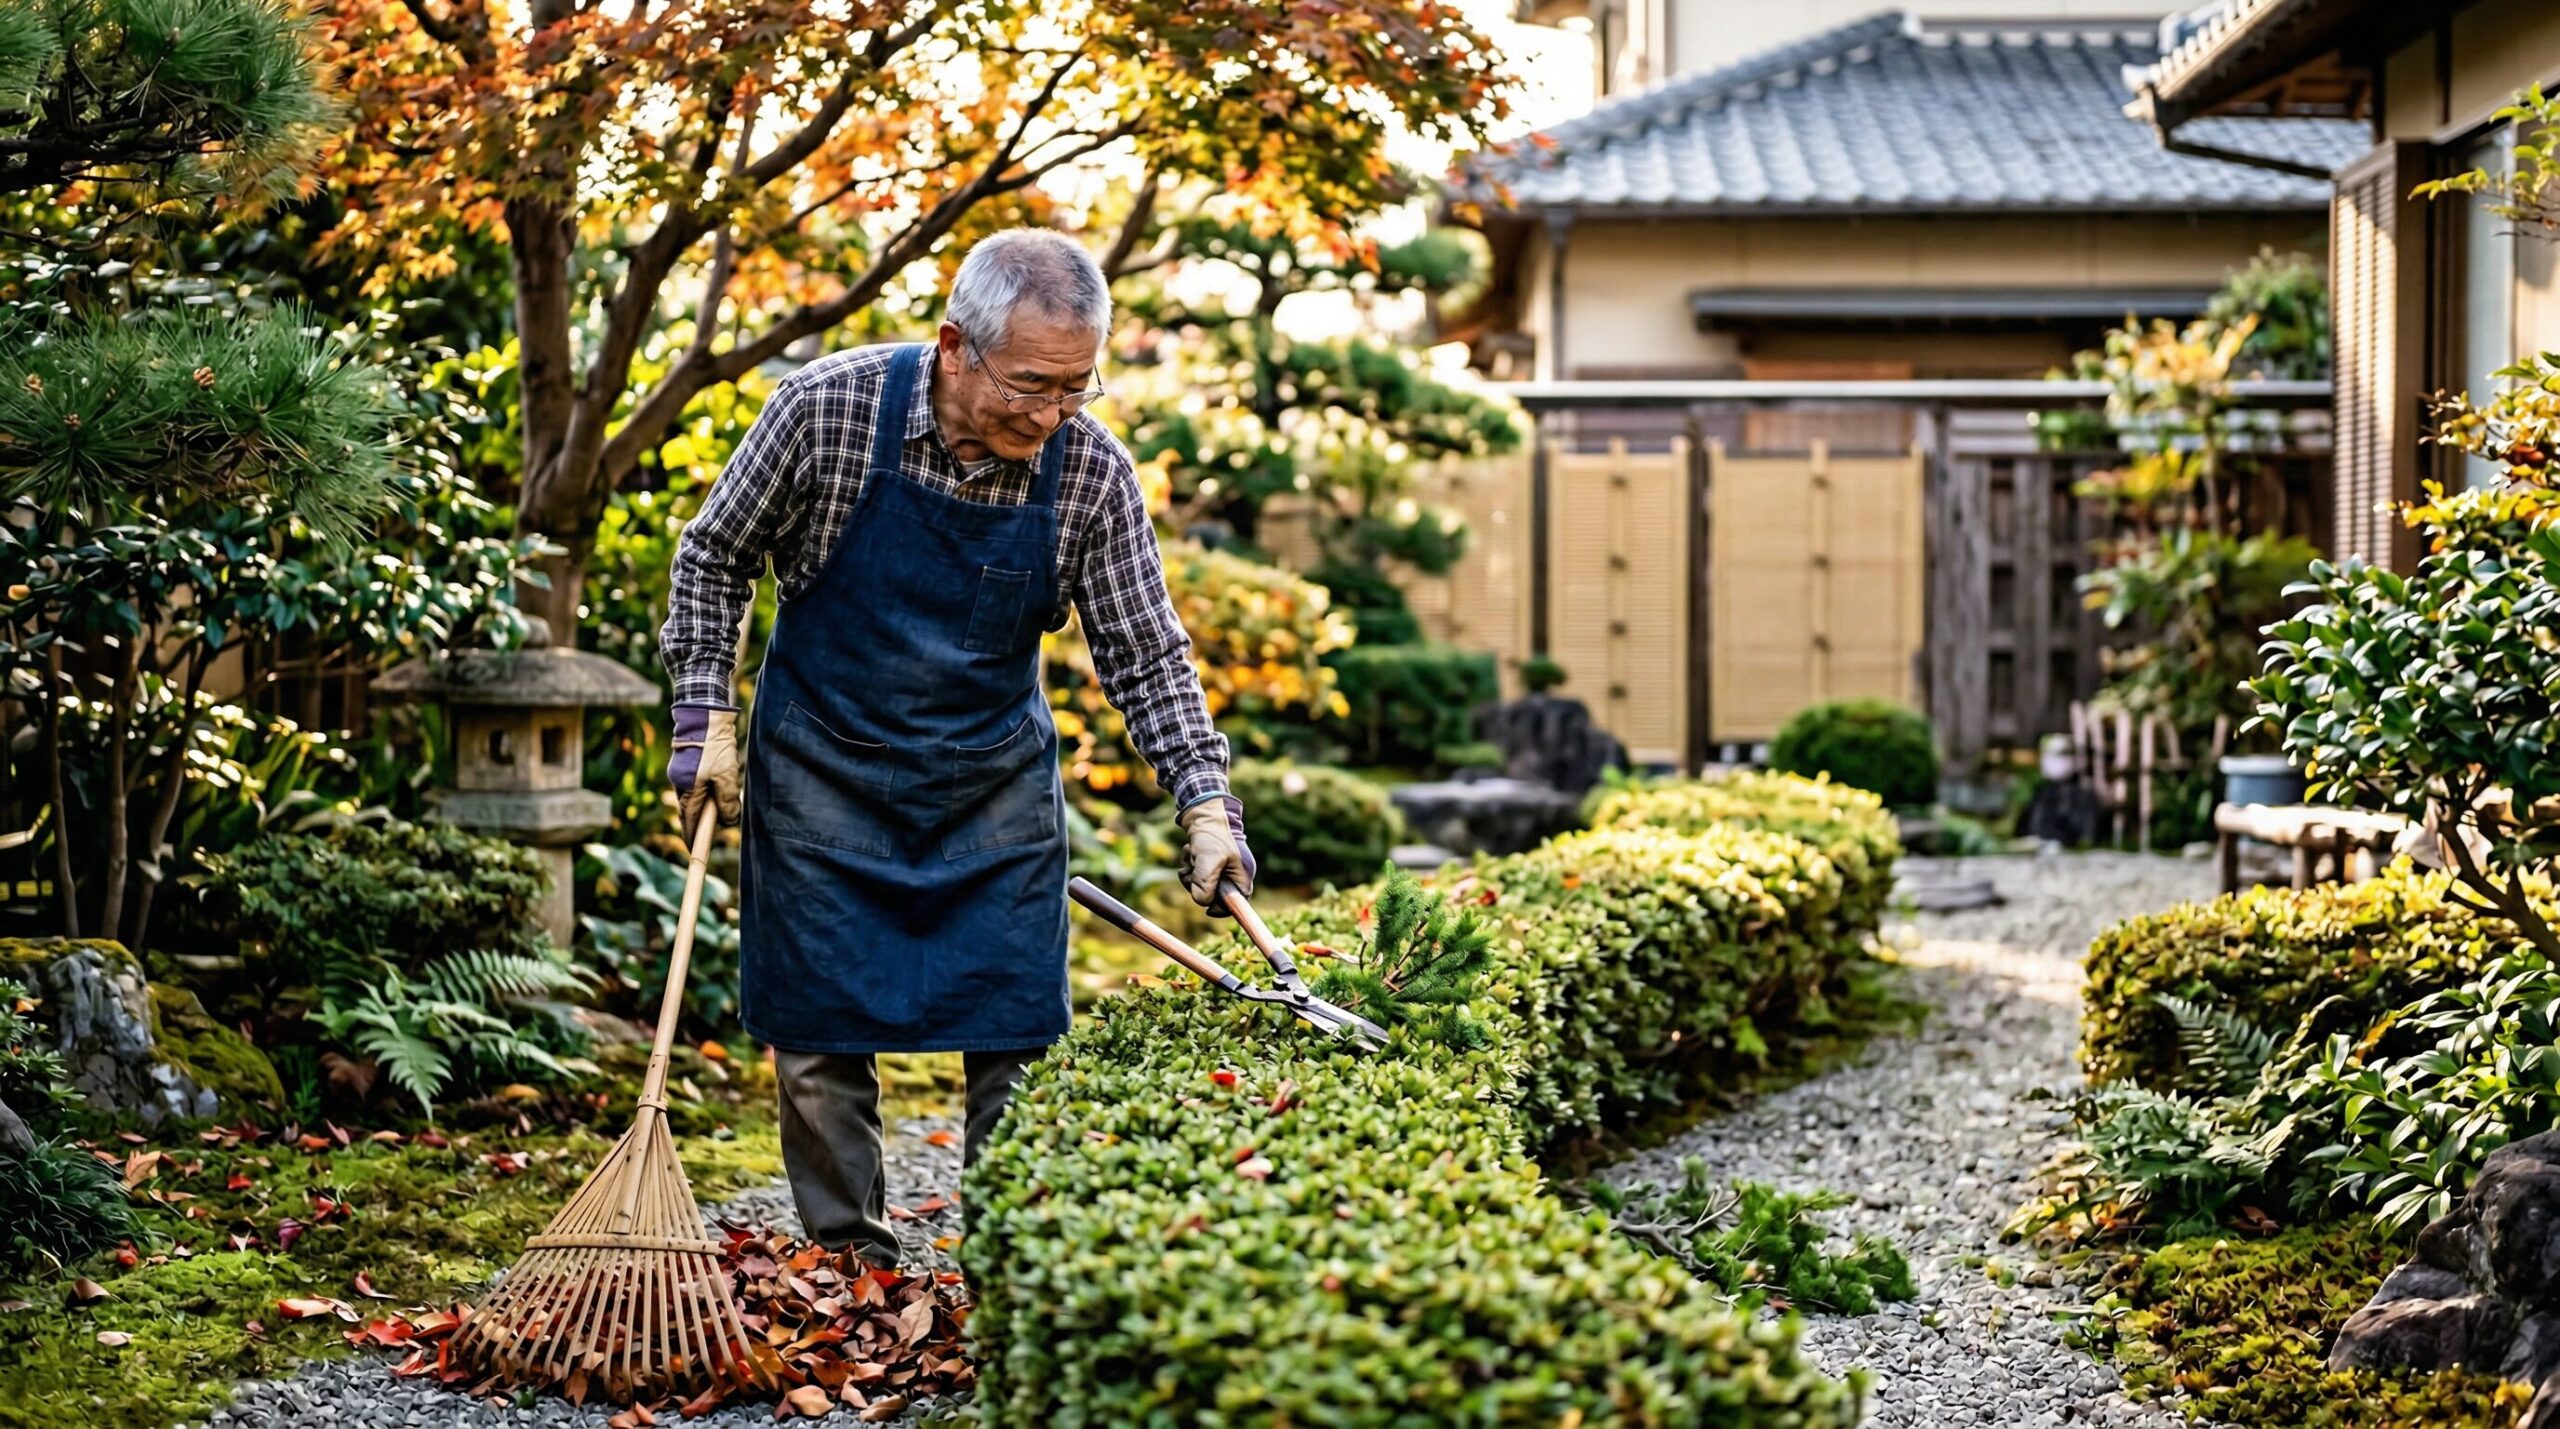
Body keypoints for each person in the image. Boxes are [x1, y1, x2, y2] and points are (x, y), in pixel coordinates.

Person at [657, 229, 1252, 1268]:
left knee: (1017, 1030)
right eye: (1029, 383)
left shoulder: (1088, 471)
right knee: (817, 1038)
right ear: (952, 347)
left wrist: (1205, 802)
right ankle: (848, 1262)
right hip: (820, 771)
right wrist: (704, 720)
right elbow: (713, 555)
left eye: (1077, 387)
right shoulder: (822, 412)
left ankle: (1004, 1270)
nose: (1050, 412)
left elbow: (1145, 649)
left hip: (990, 787)